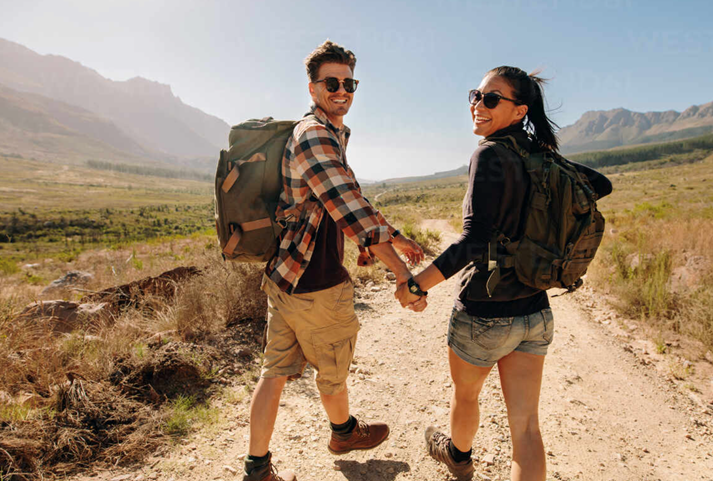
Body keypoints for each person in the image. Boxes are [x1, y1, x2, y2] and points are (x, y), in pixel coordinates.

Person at [395, 66, 612, 481]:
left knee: (466, 396)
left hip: (484, 310)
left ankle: (458, 457)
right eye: (475, 96)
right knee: (526, 427)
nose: (479, 105)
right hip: (534, 311)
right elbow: (599, 184)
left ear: (519, 111)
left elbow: (473, 241)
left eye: (491, 98)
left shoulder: (490, 154)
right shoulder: (540, 156)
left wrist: (416, 285)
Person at [242, 41, 425, 481]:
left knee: (274, 372)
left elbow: (351, 197)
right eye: (332, 83)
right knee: (333, 369)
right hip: (316, 282)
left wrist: (397, 237)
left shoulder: (329, 133)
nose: (342, 90)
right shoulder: (314, 135)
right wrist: (403, 276)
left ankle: (256, 468)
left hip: (285, 275)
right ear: (313, 87)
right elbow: (352, 212)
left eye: (349, 83)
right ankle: (342, 434)